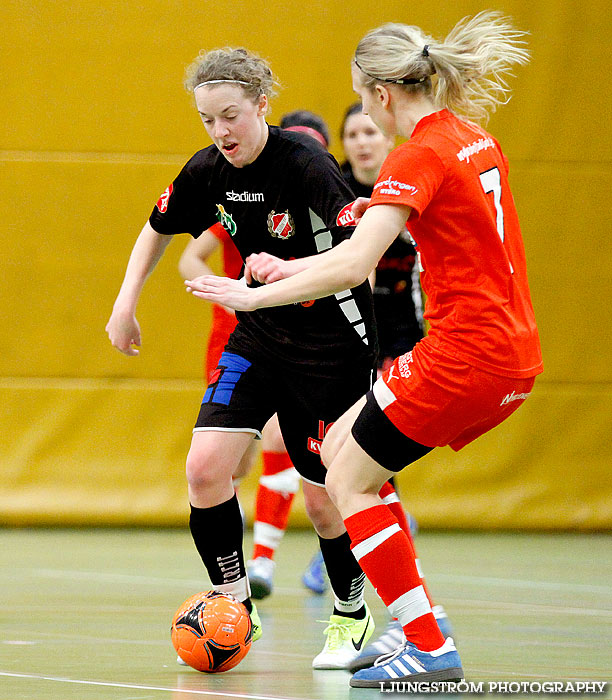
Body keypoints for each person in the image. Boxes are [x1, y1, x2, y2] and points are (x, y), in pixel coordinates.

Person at [184, 12, 543, 687]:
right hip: (513, 351)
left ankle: (427, 643)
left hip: (466, 354)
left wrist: (256, 299)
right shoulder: (474, 139)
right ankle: (419, 626)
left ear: (380, 94)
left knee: (345, 478)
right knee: (348, 454)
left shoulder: (419, 153)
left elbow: (356, 267)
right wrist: (291, 270)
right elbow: (357, 252)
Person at [107, 47, 380, 670]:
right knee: (205, 469)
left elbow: (358, 253)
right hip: (257, 334)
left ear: (262, 106)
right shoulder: (208, 170)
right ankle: (233, 603)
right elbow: (158, 227)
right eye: (207, 119)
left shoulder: (308, 166)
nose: (220, 131)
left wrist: (288, 268)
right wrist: (126, 303)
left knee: (325, 499)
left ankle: (350, 611)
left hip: (330, 343)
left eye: (230, 115)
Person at [177, 110, 331, 601]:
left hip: (302, 344)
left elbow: (354, 268)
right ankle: (235, 582)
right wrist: (229, 291)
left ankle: (264, 563)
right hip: (235, 336)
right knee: (225, 466)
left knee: (283, 448)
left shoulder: (325, 204)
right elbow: (187, 253)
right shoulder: (239, 198)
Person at [339, 101, 453, 671]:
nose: (363, 141)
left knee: (357, 471)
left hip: (410, 351)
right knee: (347, 466)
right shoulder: (336, 192)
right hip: (350, 350)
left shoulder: (412, 185)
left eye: (369, 130)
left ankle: (423, 629)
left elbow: (356, 262)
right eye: (352, 134)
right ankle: (418, 619)